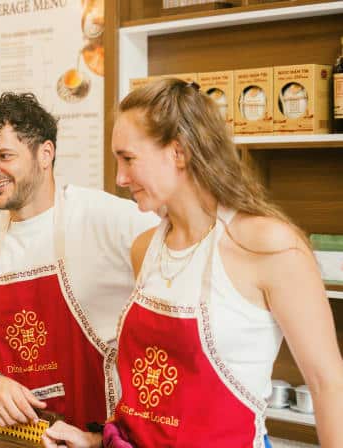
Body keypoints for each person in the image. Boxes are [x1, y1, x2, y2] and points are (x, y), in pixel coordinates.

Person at [42, 79, 343, 447]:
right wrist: (92, 441)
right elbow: (155, 402)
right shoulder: (145, 250)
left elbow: (328, 382)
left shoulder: (269, 246)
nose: (120, 178)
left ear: (179, 152)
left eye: (129, 158)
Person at [0, 92, 158, 429]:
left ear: (45, 154)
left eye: (4, 156)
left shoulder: (112, 221)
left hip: (98, 435)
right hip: (18, 436)